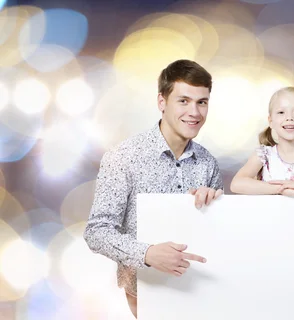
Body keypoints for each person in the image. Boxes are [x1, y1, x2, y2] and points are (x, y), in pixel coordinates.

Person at [83, 59, 223, 318]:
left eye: (201, 102)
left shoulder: (208, 163)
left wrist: (218, 204)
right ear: (162, 102)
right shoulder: (123, 157)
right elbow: (96, 231)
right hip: (147, 294)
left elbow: (218, 236)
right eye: (183, 100)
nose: (194, 112)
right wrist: (147, 254)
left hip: (204, 293)